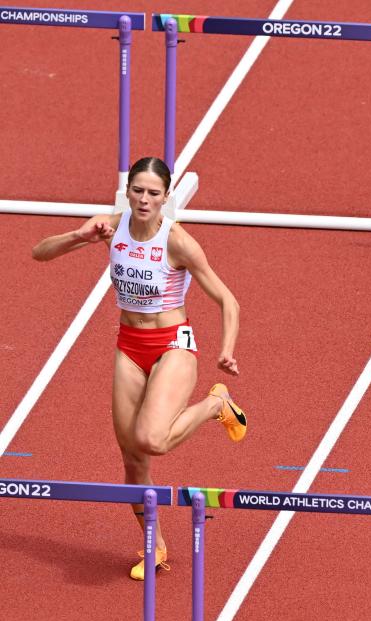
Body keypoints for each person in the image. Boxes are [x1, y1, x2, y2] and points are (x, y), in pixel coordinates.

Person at [31, 156, 248, 579]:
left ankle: (215, 404)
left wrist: (227, 350)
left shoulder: (178, 242)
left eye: (153, 193)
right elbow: (39, 254)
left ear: (166, 197)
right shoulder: (110, 226)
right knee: (132, 458)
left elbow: (228, 300)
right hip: (129, 346)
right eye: (137, 191)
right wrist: (78, 235)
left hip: (172, 344)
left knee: (152, 439)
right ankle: (155, 546)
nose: (144, 199)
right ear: (127, 191)